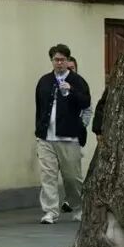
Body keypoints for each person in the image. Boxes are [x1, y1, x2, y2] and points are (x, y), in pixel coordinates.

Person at [34, 44, 91, 224]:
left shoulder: (77, 81)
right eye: (56, 60)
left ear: (67, 61)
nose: (59, 63)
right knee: (48, 176)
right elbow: (39, 107)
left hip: (68, 137)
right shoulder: (44, 81)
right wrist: (39, 131)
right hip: (46, 138)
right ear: (51, 61)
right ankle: (50, 211)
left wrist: (71, 91)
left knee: (72, 178)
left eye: (62, 60)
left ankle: (78, 208)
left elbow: (86, 103)